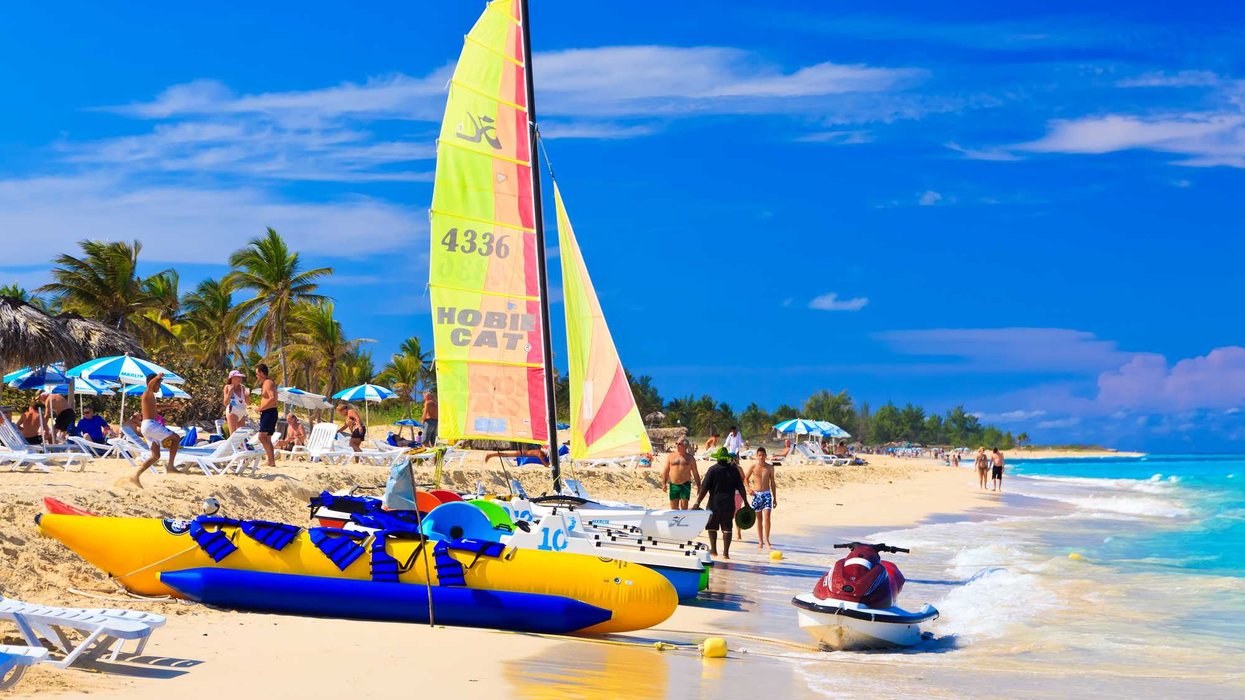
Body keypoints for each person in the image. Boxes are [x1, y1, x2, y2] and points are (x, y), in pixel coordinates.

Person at [692, 448, 748, 559]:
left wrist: (697, 502)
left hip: (714, 504)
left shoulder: (712, 470)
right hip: (728, 504)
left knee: (712, 527)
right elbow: (741, 488)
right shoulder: (733, 470)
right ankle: (726, 553)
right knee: (727, 528)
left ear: (717, 458)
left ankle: (713, 550)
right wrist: (746, 502)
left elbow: (704, 488)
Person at [129, 373, 179, 488]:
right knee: (176, 438)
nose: (160, 387)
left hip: (147, 427)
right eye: (159, 384)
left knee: (155, 456)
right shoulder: (148, 391)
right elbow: (150, 386)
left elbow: (156, 407)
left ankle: (135, 475)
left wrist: (172, 406)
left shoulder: (150, 396)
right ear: (153, 383)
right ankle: (171, 466)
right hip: (150, 425)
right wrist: (157, 377)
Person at [746, 447, 778, 549]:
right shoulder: (753, 467)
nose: (761, 457)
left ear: (765, 456)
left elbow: (772, 482)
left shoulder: (770, 467)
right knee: (759, 519)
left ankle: (767, 540)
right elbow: (745, 479)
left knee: (767, 517)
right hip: (756, 495)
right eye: (759, 455)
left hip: (767, 494)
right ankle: (760, 541)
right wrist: (749, 489)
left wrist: (775, 498)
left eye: (763, 455)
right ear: (757, 456)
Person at [661, 438, 702, 509]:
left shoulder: (690, 458)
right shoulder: (671, 456)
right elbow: (666, 470)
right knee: (674, 509)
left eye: (679, 444)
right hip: (673, 485)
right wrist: (663, 483)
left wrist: (699, 486)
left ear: (685, 446)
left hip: (685, 484)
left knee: (684, 508)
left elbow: (695, 473)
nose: (677, 445)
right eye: (676, 443)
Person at [255, 364, 278, 468]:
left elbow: (272, 398)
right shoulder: (267, 382)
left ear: (260, 373)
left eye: (257, 374)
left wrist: (260, 408)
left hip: (269, 412)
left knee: (261, 436)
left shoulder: (268, 383)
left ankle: (271, 461)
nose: (257, 376)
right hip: (269, 412)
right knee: (268, 438)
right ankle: (271, 461)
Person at [223, 369, 248, 435]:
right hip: (232, 412)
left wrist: (247, 396)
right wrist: (229, 393)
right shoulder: (227, 387)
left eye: (240, 377)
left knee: (241, 435)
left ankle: (242, 445)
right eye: (238, 377)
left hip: (242, 413)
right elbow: (225, 403)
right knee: (233, 435)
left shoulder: (243, 387)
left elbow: (248, 403)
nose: (240, 378)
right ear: (232, 378)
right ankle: (232, 445)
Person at [485, 446, 549, 466]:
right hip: (521, 454)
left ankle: (491, 455)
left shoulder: (541, 452)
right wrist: (546, 463)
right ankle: (490, 455)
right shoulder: (540, 452)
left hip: (522, 454)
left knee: (505, 455)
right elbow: (541, 458)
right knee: (505, 455)